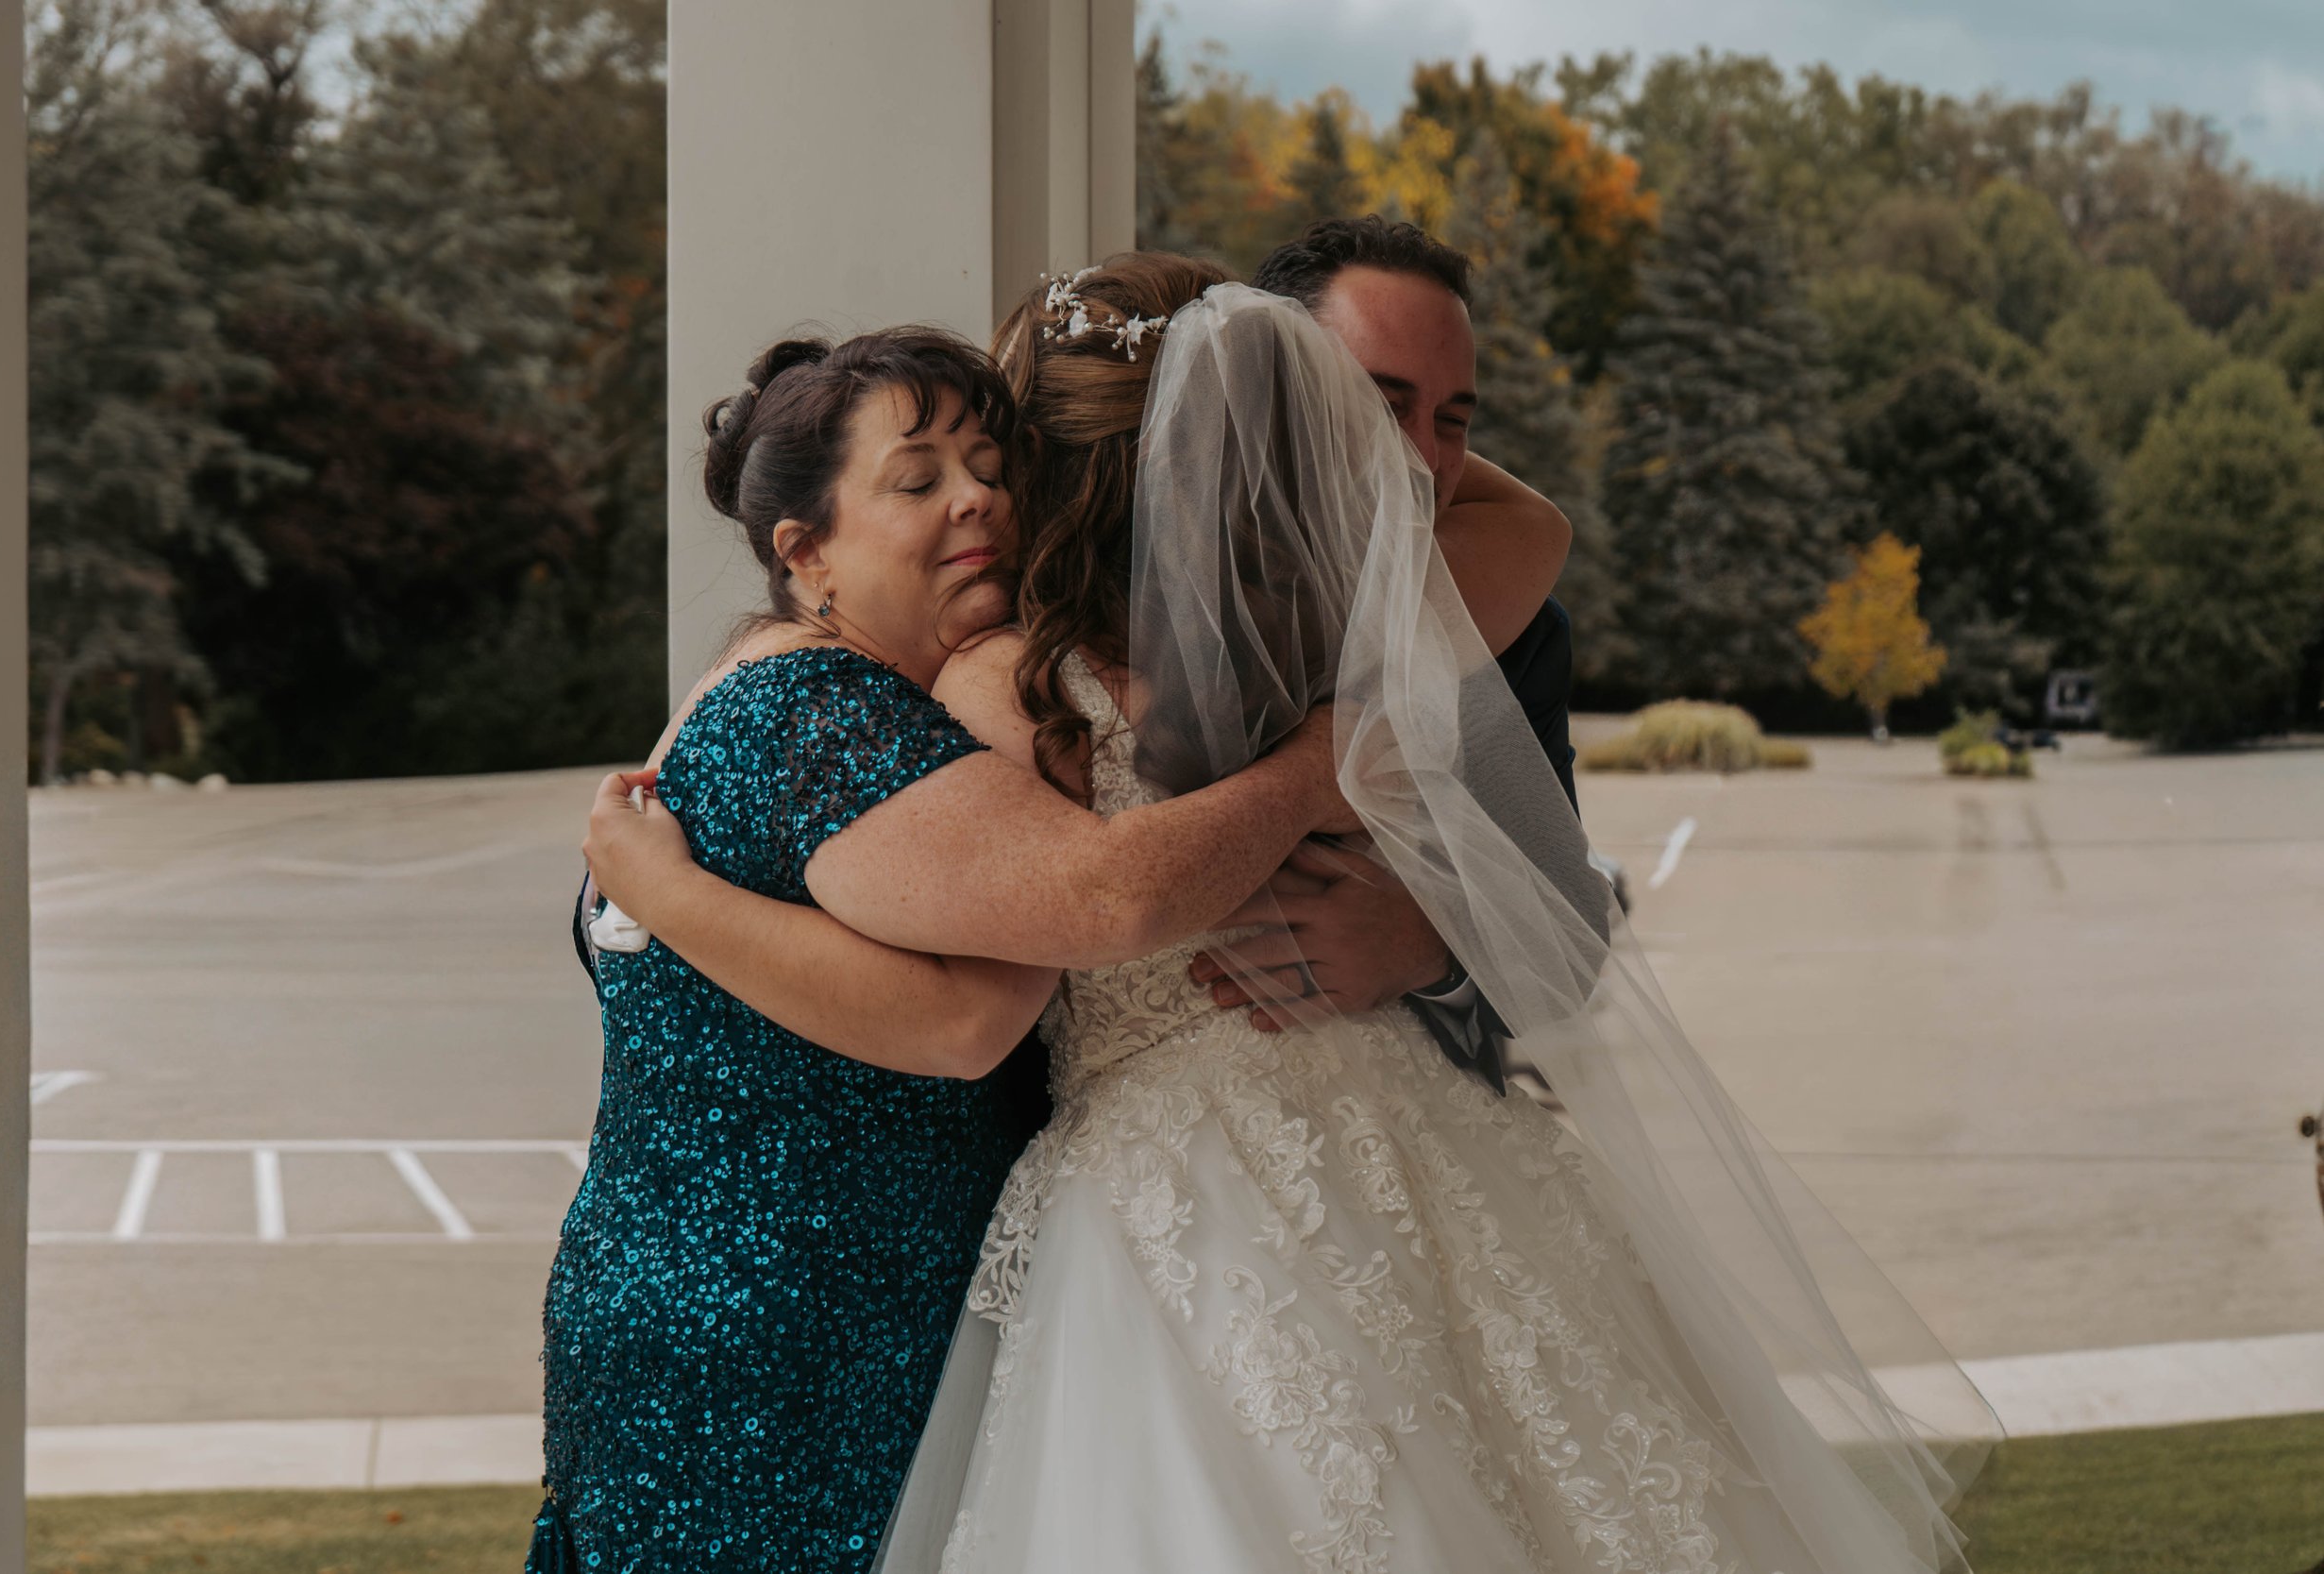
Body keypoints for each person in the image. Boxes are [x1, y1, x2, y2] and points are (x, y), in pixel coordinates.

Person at [600, 261, 1996, 1573]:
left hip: (1177, 1167)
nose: (972, 499)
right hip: (1390, 1112)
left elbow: (1053, 933)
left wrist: (669, 871)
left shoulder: (997, 675)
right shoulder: (1325, 637)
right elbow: (1534, 531)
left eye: (991, 463)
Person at [529, 325, 1362, 1574]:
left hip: (701, 1305)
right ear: (805, 551)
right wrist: (1320, 763)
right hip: (791, 1338)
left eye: (989, 465)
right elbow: (1014, 980)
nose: (975, 497)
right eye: (916, 479)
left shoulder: (750, 686)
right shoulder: (825, 711)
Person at [1186, 216, 1590, 1092]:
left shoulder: (1513, 627)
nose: (1424, 457)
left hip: (1421, 1120)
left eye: (1453, 420)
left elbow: (1574, 937)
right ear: (1271, 395)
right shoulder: (1140, 598)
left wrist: (1428, 946)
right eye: (1382, 402)